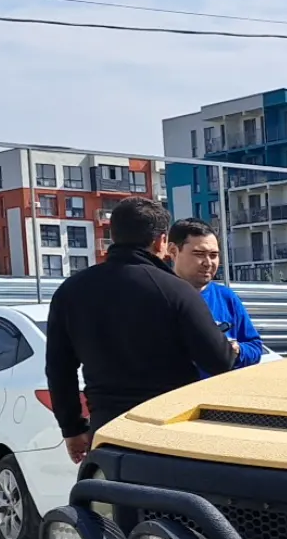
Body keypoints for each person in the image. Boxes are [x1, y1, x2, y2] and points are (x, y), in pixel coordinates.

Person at [45, 198, 238, 463]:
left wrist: (72, 427)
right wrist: (229, 347)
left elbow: (58, 368)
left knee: (109, 501)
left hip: (107, 428)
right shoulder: (177, 291)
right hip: (169, 428)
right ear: (161, 241)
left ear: (114, 235)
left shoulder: (71, 291)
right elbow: (219, 361)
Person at [168, 218, 264, 370]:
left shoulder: (226, 298)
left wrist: (237, 350)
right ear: (173, 251)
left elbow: (255, 348)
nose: (208, 263)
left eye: (213, 255)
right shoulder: (158, 296)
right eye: (199, 254)